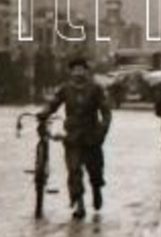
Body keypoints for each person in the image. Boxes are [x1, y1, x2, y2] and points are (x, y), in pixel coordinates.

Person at [37, 54, 112, 220]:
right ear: (70, 72)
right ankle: (80, 205)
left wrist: (103, 130)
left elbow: (106, 112)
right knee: (74, 170)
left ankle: (96, 190)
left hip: (92, 136)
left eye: (81, 69)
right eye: (75, 70)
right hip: (73, 137)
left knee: (95, 170)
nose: (78, 73)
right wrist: (44, 112)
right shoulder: (65, 89)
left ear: (87, 71)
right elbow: (53, 104)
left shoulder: (96, 89)